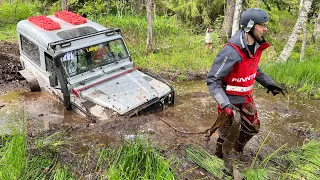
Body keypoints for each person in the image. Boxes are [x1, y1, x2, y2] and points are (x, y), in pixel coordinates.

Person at [206, 8, 285, 159]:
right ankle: (219, 159)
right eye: (262, 25)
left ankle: (237, 149)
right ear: (250, 26)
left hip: (246, 97)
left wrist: (269, 83)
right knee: (226, 133)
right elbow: (212, 80)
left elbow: (253, 68)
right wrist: (224, 104)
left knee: (253, 127)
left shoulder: (256, 45)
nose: (265, 29)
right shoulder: (231, 51)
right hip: (229, 100)